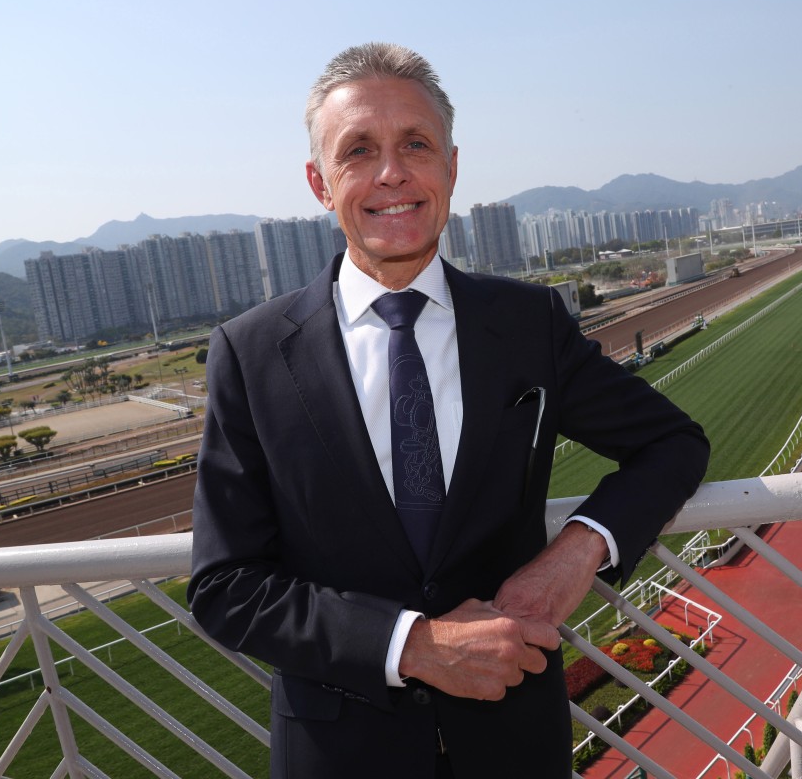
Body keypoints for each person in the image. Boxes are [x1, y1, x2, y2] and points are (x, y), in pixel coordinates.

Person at [188, 42, 710, 778]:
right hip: (340, 756)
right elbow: (225, 587)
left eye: (416, 145)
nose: (391, 173)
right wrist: (412, 645)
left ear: (453, 167)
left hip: (514, 745)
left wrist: (578, 550)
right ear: (319, 181)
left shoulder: (529, 322)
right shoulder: (250, 353)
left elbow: (673, 443)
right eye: (358, 151)